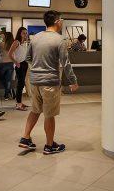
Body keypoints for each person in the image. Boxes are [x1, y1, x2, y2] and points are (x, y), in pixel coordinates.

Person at [18, 10, 78, 154]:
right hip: (50, 83)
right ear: (57, 22)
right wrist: (73, 80)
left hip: (34, 82)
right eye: (62, 20)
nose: (62, 22)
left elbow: (28, 57)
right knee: (49, 114)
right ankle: (50, 145)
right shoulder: (60, 40)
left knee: (35, 110)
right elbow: (66, 63)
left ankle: (25, 138)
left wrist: (36, 70)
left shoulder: (36, 38)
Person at [9, 27, 29, 110]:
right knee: (20, 84)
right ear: (19, 33)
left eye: (26, 33)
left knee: (22, 83)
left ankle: (19, 102)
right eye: (23, 33)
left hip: (25, 64)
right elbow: (9, 54)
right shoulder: (16, 42)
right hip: (19, 64)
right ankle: (18, 103)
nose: (25, 34)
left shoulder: (24, 43)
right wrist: (16, 63)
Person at [0, 32, 15, 100]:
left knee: (1, 78)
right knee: (8, 80)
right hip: (10, 63)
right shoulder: (13, 44)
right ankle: (7, 95)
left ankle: (8, 91)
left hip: (2, 63)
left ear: (5, 37)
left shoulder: (1, 44)